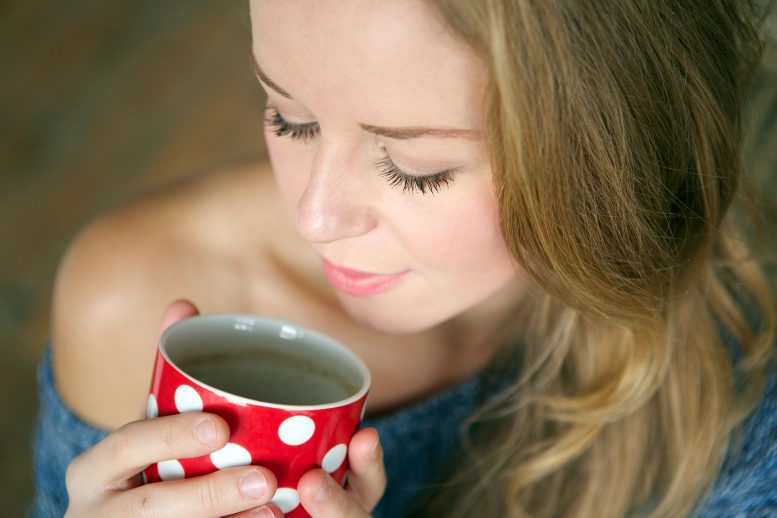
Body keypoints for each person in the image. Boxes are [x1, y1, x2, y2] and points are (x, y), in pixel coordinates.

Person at [31, 1, 777, 517]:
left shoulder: (738, 342)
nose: (315, 218)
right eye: (287, 118)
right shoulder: (136, 295)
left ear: (609, 153)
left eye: (415, 167)